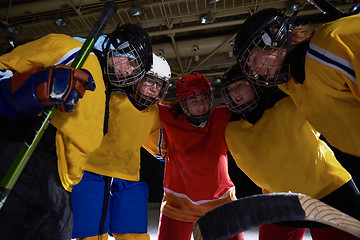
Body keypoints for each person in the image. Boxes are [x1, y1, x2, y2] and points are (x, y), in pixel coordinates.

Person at [0, 23, 152, 240]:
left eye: (135, 69)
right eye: (129, 61)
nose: (129, 71)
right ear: (116, 47)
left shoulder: (107, 88)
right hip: (27, 152)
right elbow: (3, 71)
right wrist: (33, 89)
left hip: (62, 182)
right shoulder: (70, 49)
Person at [220, 64, 360, 240]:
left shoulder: (288, 102)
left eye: (239, 85)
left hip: (330, 194)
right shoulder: (230, 129)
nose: (235, 93)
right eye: (230, 89)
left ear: (254, 83)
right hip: (280, 203)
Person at [233, 8, 360, 158]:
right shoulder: (292, 85)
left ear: (275, 35)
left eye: (254, 59)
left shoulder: (330, 45)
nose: (254, 70)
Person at [71, 53, 171, 240]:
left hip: (129, 178)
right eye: (150, 81)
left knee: (134, 235)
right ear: (137, 78)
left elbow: (159, 145)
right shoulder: (109, 95)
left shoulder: (154, 112)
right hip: (93, 172)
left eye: (159, 85)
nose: (154, 88)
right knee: (91, 235)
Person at [143, 72, 244, 240]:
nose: (202, 105)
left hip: (221, 204)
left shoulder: (223, 116)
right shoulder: (167, 114)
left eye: (204, 98)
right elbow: (142, 105)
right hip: (178, 207)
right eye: (194, 100)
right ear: (183, 103)